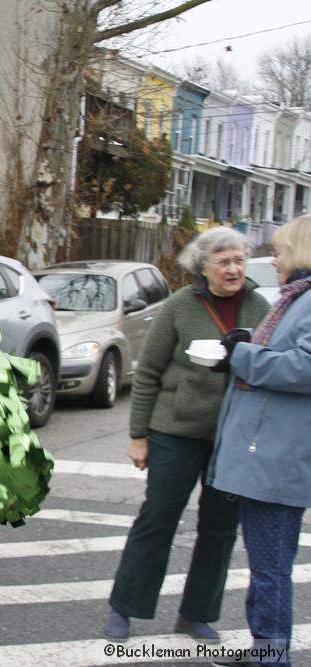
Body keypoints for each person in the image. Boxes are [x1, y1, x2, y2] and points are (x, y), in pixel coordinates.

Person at [102, 226, 270, 643]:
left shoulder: (260, 308)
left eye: (239, 260)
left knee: (220, 528)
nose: (233, 269)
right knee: (157, 518)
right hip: (174, 434)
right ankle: (125, 607)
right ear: (203, 266)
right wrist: (138, 435)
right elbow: (148, 376)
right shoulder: (178, 307)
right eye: (224, 261)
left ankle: (196, 614)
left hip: (230, 439)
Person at [208, 216, 311, 667]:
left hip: (278, 458)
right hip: (269, 454)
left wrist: (243, 355)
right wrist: (248, 343)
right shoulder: (295, 298)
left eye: (281, 251)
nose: (275, 259)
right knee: (266, 568)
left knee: (270, 572)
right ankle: (264, 651)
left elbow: (304, 367)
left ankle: (272, 658)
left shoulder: (306, 300)